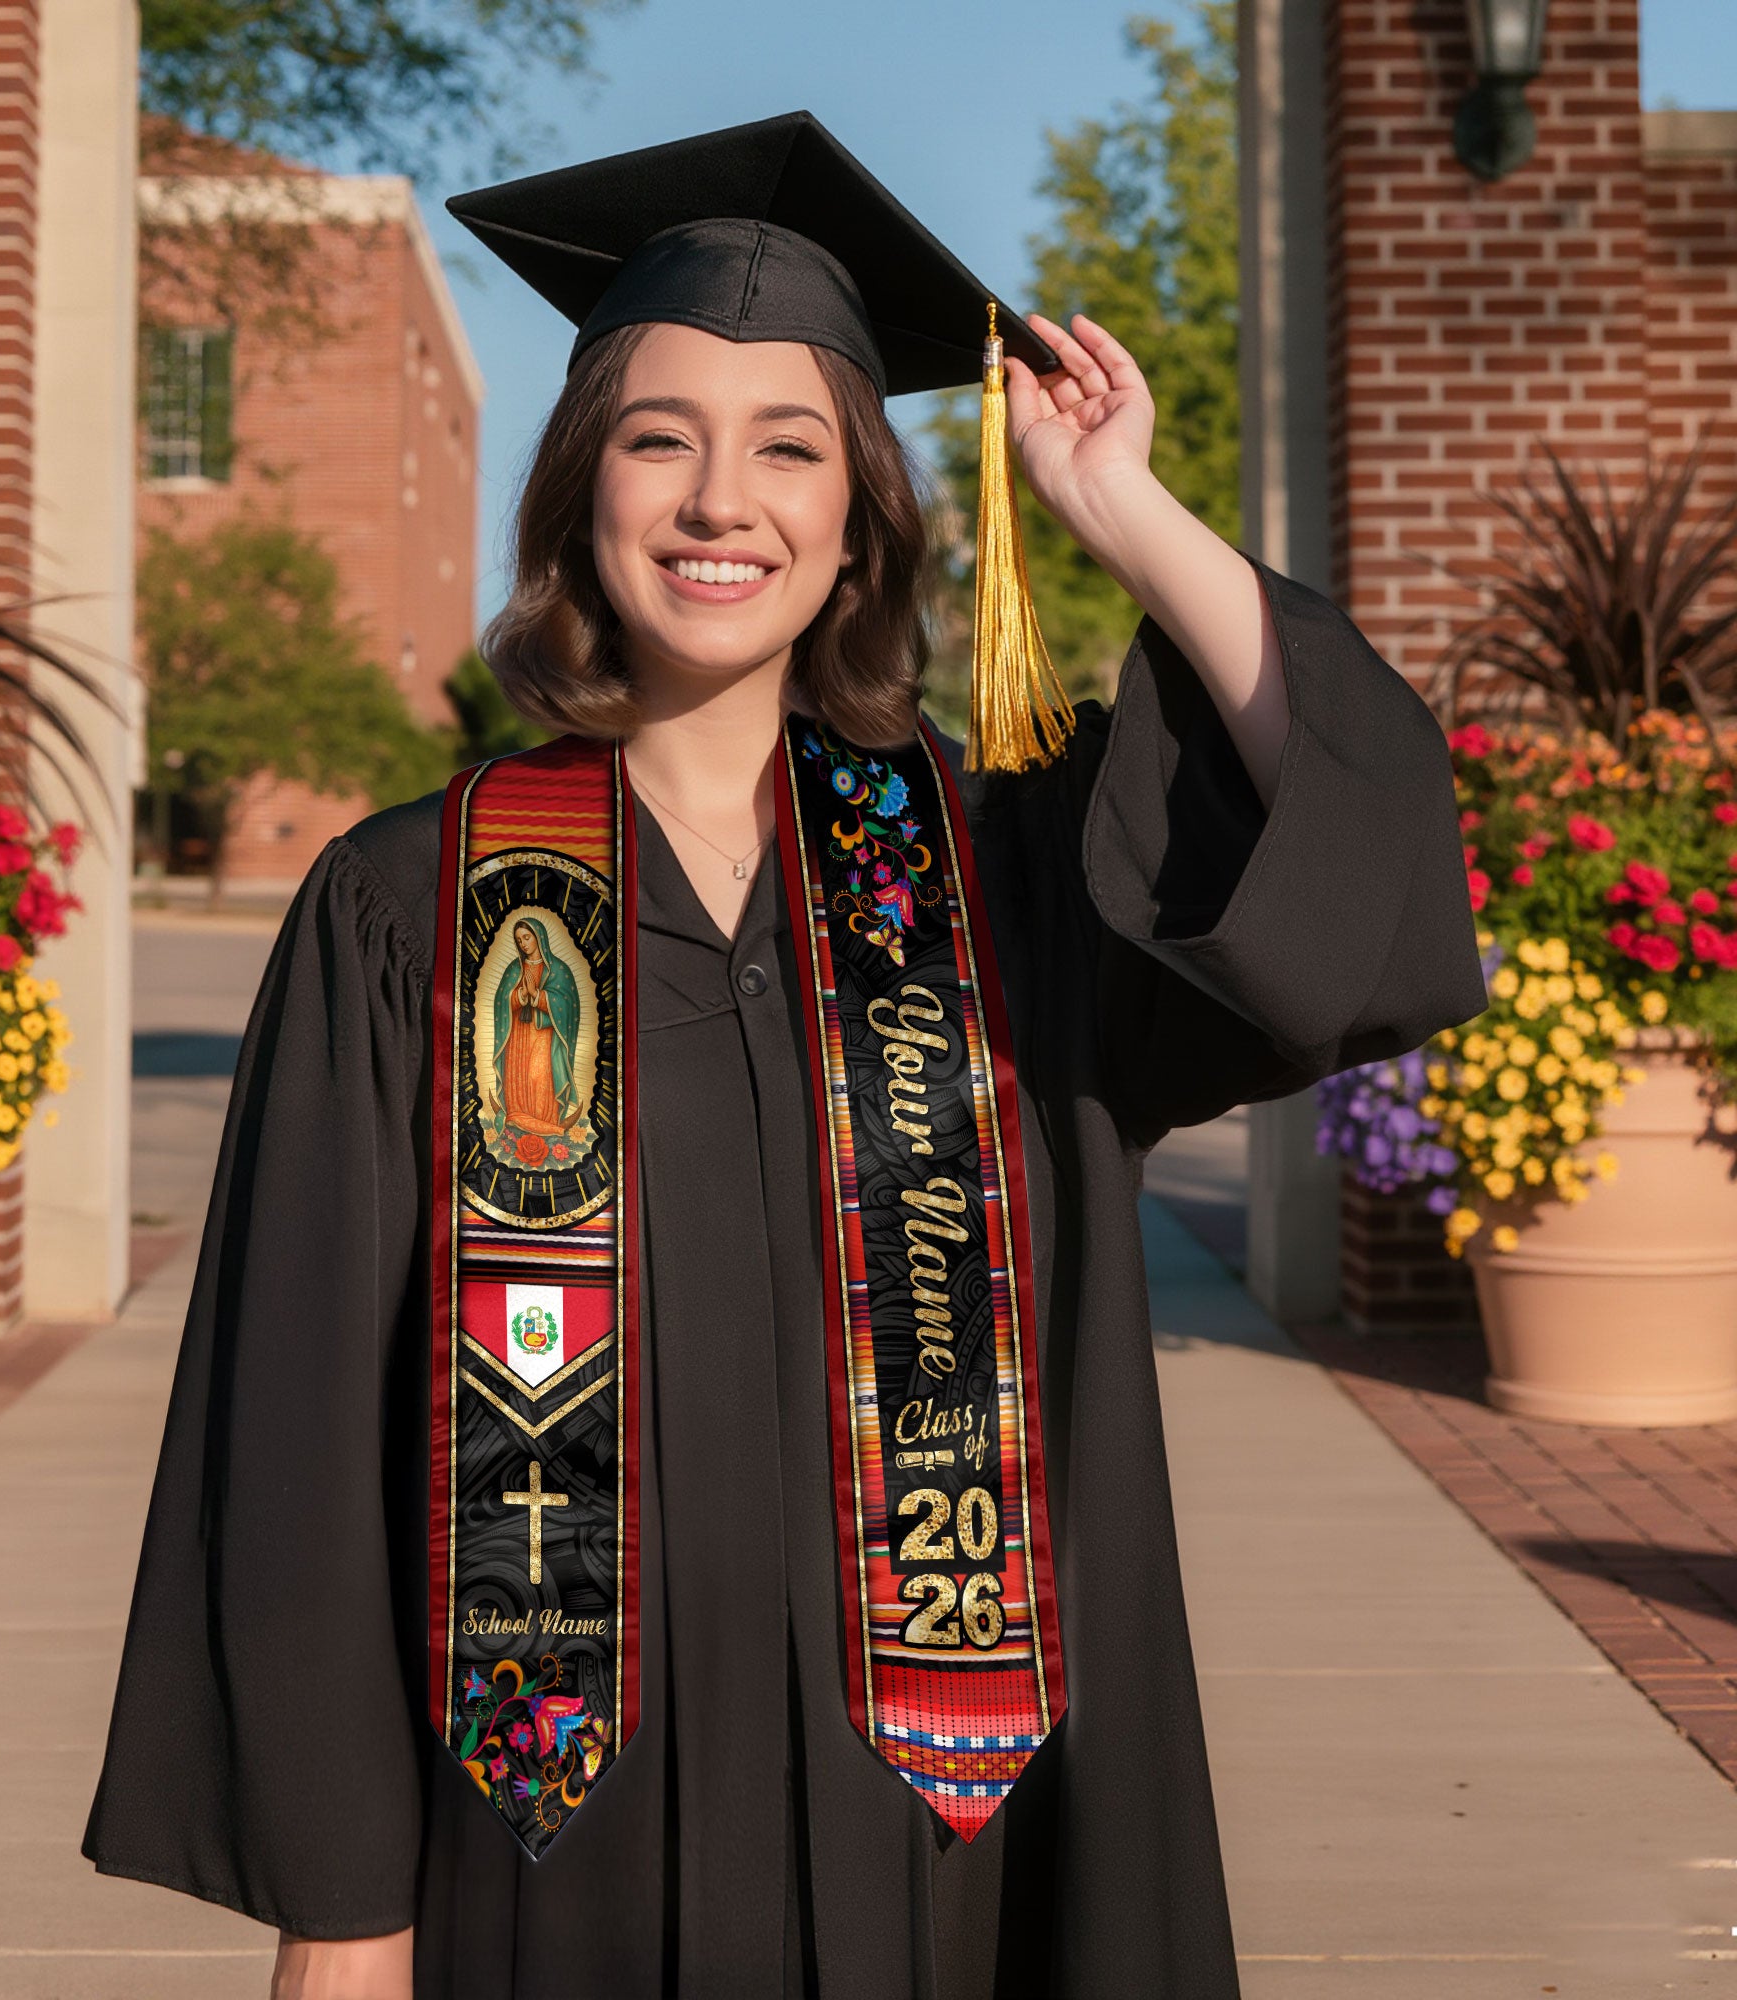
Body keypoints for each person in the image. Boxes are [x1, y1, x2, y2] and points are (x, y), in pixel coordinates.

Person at [82, 113, 1486, 2000]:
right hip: (541, 1855)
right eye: (661, 439)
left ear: (858, 522)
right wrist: (342, 1909)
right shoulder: (407, 907)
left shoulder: (1007, 888)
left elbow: (1351, 867)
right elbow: (302, 1435)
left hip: (961, 1851)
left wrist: (1120, 509)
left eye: (789, 448)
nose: (718, 500)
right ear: (584, 489)